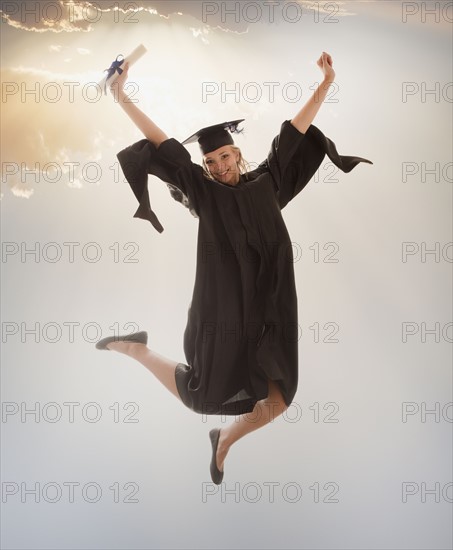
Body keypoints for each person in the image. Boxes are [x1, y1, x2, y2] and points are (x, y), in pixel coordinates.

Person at [95, 52, 372, 484]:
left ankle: (223, 439)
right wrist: (121, 96)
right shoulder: (203, 195)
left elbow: (295, 129)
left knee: (279, 399)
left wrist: (326, 82)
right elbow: (163, 144)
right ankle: (137, 349)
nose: (219, 167)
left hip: (272, 303)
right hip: (226, 305)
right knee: (202, 394)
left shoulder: (269, 181)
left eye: (224, 157)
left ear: (237, 153)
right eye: (211, 162)